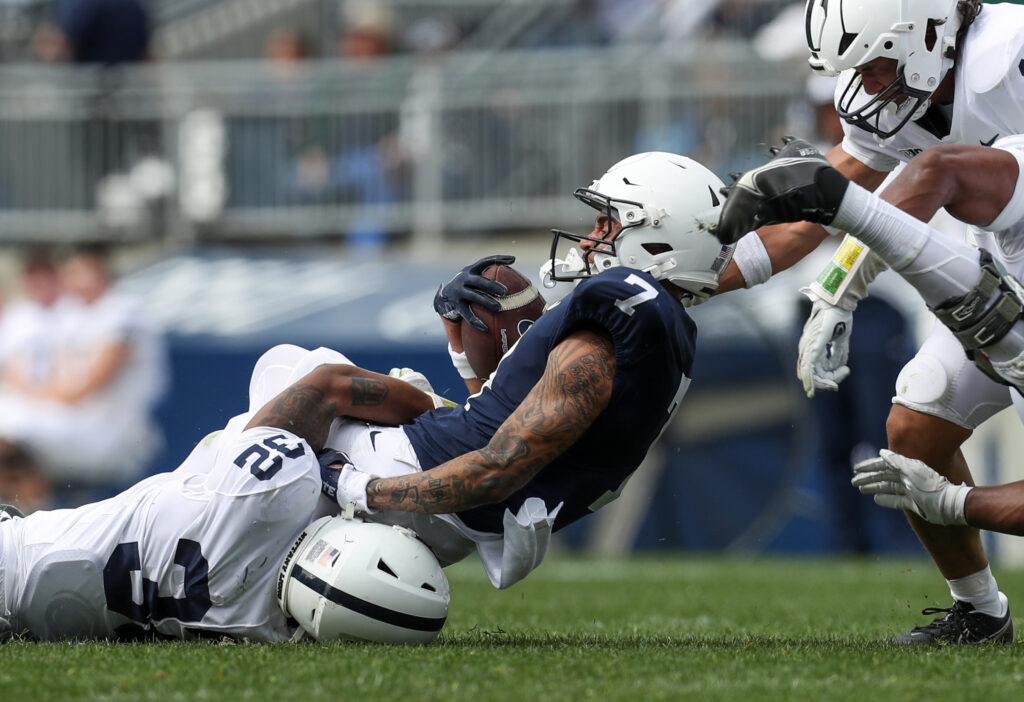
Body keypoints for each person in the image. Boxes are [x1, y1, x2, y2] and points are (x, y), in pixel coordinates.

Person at [709, 0, 1024, 644]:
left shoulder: (1010, 49)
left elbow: (923, 181)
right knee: (913, 426)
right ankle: (982, 613)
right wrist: (687, 279)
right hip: (1000, 278)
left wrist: (955, 504)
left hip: (998, 263)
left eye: (877, 66)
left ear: (931, 36)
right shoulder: (912, 87)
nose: (864, 86)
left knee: (938, 171)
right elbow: (816, 210)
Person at [312, 151, 734, 589]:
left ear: (660, 239)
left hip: (434, 488)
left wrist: (360, 488)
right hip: (464, 508)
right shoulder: (658, 330)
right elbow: (500, 419)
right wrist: (460, 346)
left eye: (607, 224)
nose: (590, 240)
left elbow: (497, 466)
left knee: (301, 373)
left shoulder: (616, 318)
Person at [0, 354, 446, 642]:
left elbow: (328, 383)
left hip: (14, 555)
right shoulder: (263, 628)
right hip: (31, 602)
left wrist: (427, 410)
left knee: (287, 369)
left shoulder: (274, 490)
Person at [0, 245, 168, 504]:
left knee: (11, 428)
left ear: (99, 271)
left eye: (78, 271)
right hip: (73, 419)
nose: (71, 278)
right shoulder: (74, 314)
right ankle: (27, 511)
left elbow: (88, 386)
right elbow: (53, 379)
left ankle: (31, 512)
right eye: (69, 271)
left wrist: (38, 395)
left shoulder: (123, 311)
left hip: (114, 429)